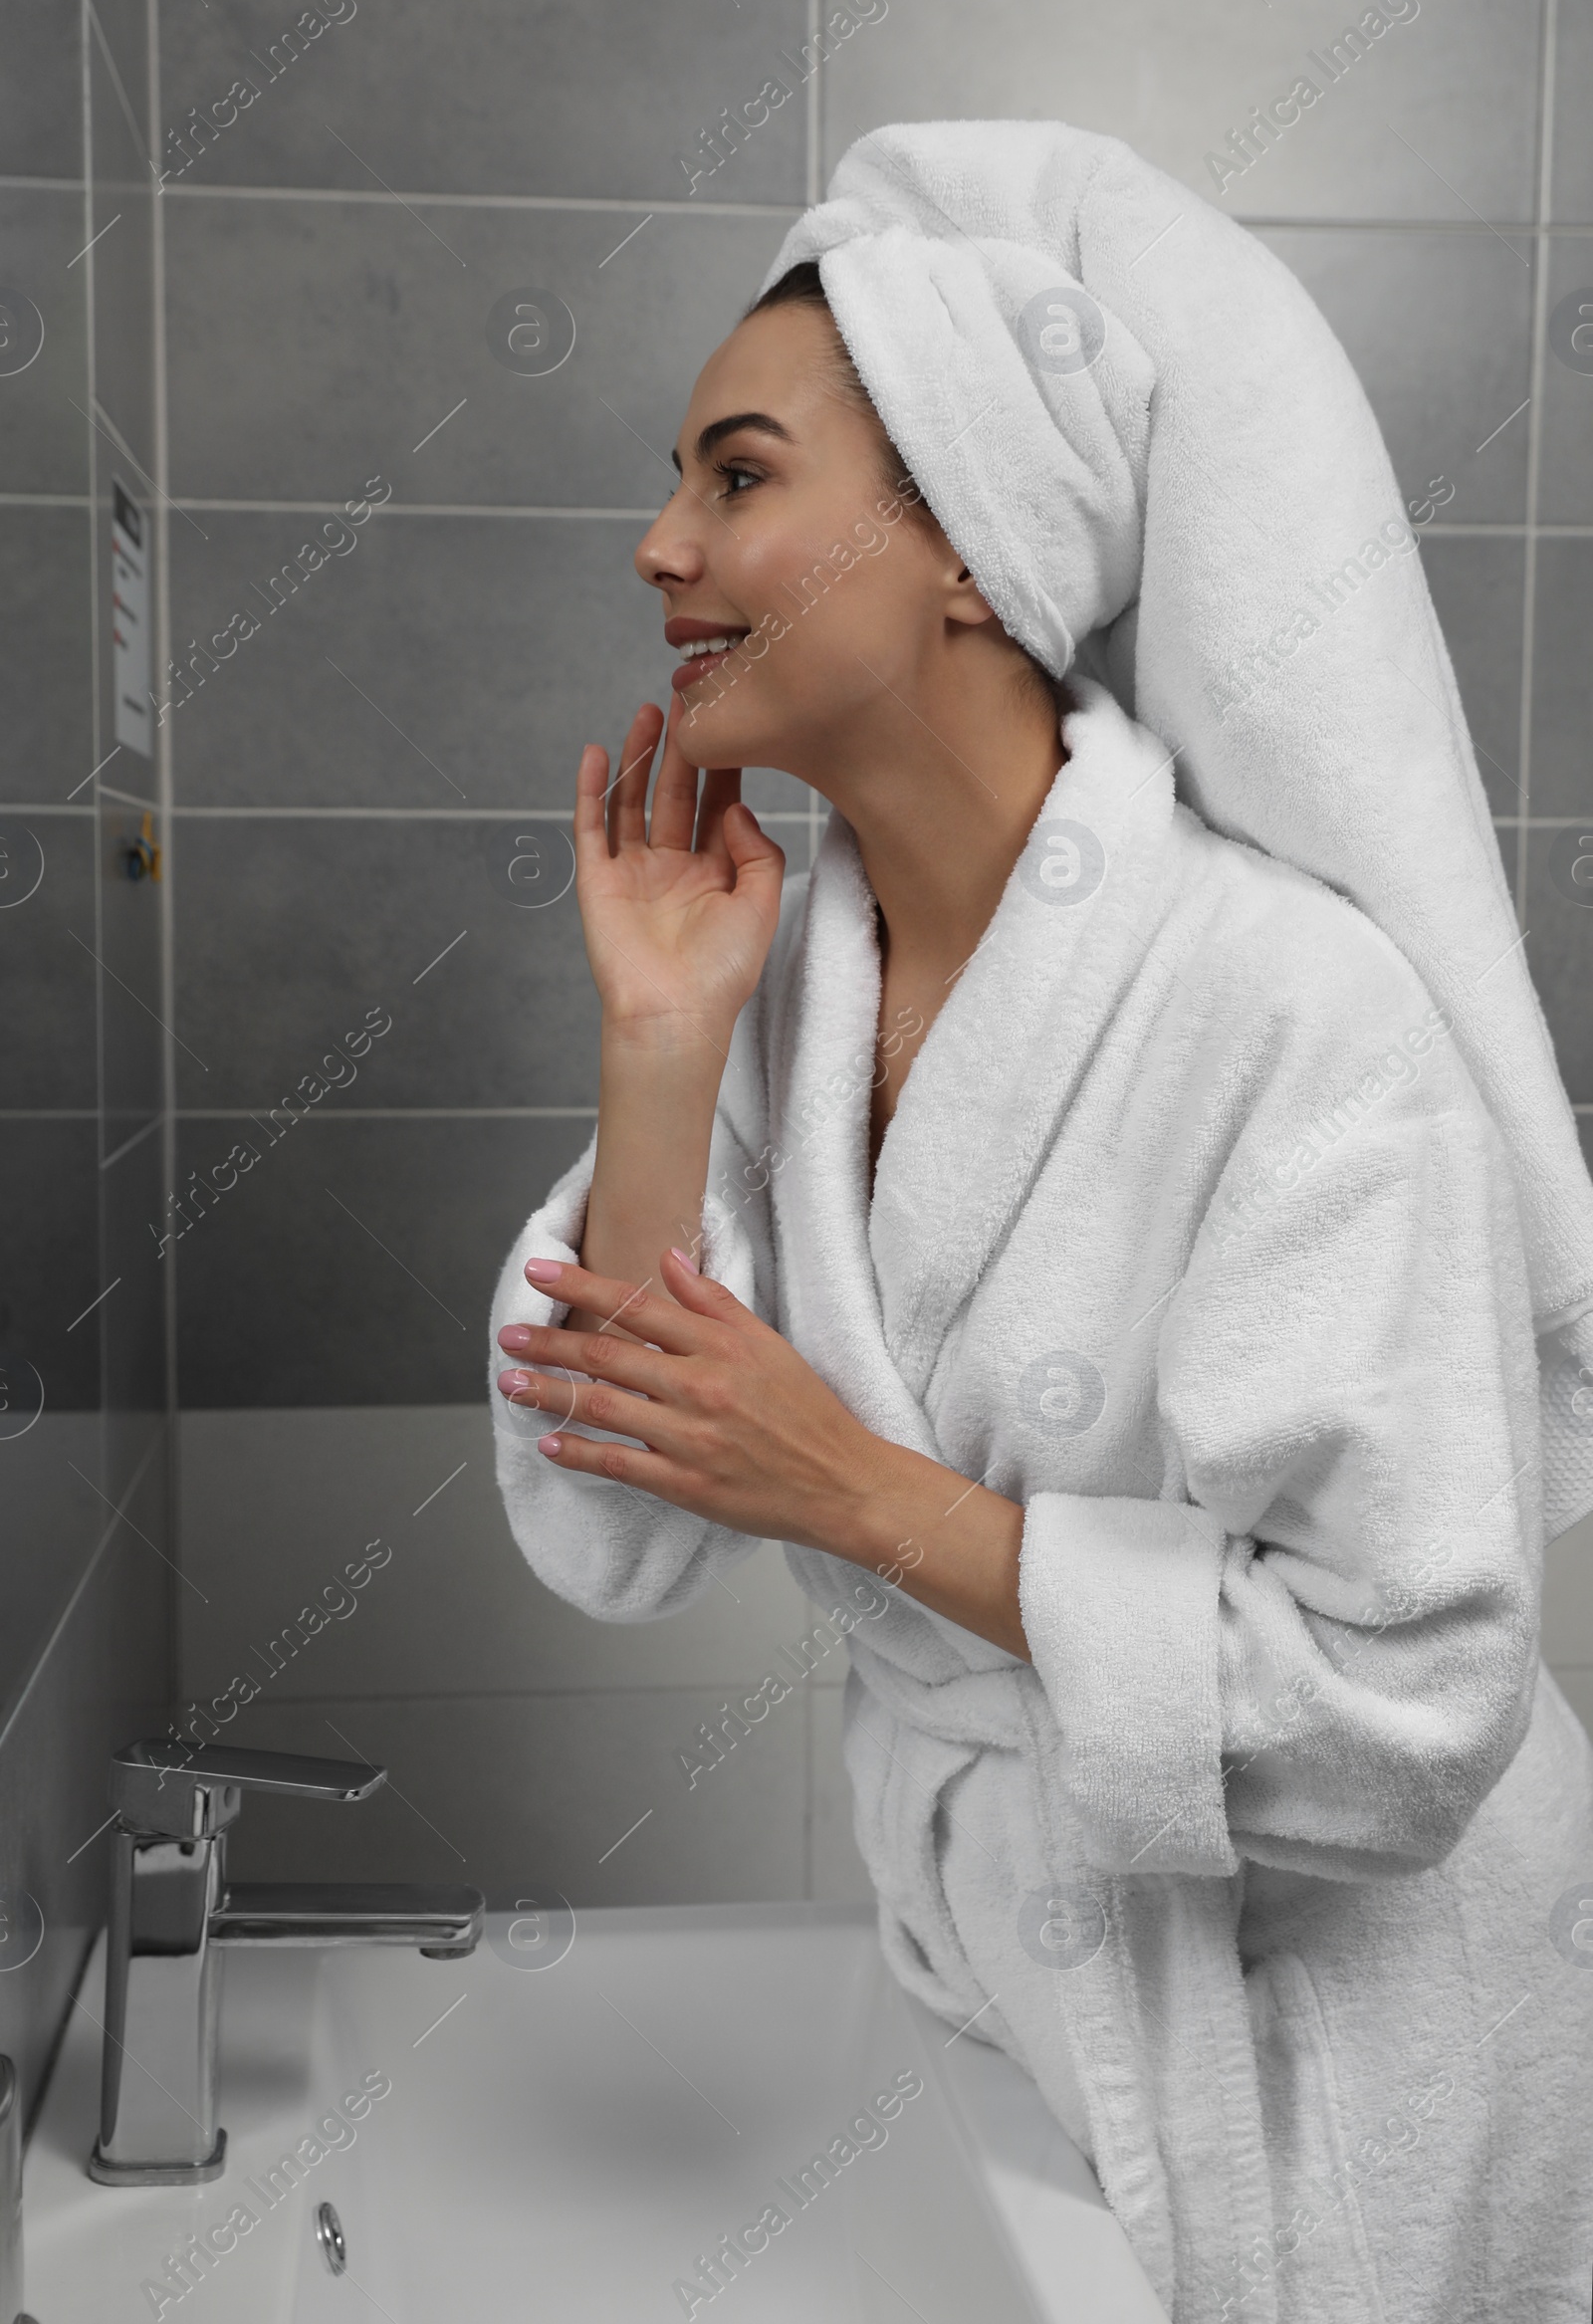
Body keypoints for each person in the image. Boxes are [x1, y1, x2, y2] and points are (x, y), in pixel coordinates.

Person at [489, 123, 1593, 2322]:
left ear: (969, 550)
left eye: (732, 478)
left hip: (1324, 2047)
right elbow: (606, 1530)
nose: (654, 546)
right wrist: (657, 1041)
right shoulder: (789, 979)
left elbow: (1409, 1705)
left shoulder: (1292, 1010)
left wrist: (866, 1500)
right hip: (1008, 1994)